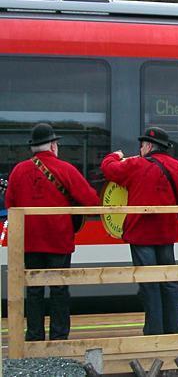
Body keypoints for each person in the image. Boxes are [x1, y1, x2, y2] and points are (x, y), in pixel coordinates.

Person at [5, 123, 99, 341]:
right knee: (59, 290)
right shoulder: (65, 169)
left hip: (29, 242)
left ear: (33, 148)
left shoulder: (19, 170)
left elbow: (9, 204)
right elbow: (92, 201)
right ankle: (58, 338)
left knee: (34, 291)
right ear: (54, 146)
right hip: (59, 241)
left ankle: (34, 336)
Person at [101, 127, 178, 335]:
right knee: (169, 282)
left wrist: (115, 155)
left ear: (147, 146)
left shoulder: (135, 165)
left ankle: (154, 331)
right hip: (166, 235)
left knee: (149, 285)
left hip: (140, 236)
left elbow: (108, 169)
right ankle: (175, 330)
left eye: (142, 145)